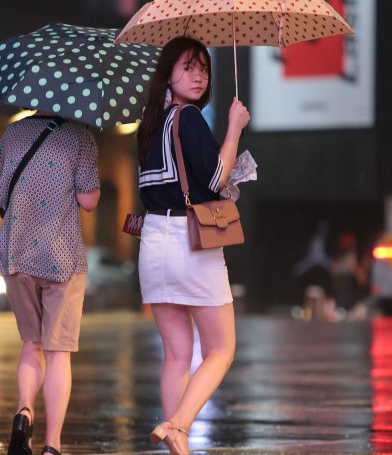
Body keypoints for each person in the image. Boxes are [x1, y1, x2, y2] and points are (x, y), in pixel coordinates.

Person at [135, 37, 250, 455]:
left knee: (177, 355)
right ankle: (178, 424)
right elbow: (217, 178)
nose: (199, 75)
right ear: (168, 74)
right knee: (221, 349)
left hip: (153, 243)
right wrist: (235, 126)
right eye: (188, 68)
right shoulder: (190, 119)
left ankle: (177, 449)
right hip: (191, 242)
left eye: (203, 68)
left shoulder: (150, 125)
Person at [0, 109, 100, 455]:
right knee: (58, 353)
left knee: (31, 343)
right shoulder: (80, 136)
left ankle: (24, 410)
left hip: (16, 252)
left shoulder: (11, 134)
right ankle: (52, 444)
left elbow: (2, 192)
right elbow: (88, 200)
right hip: (61, 257)